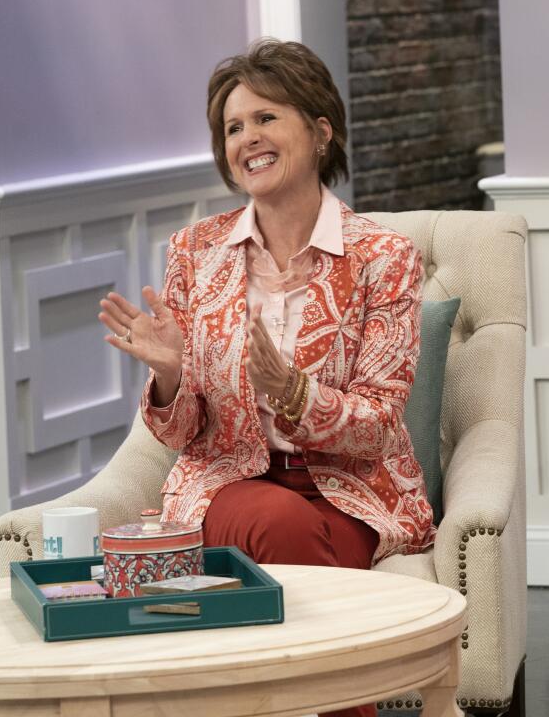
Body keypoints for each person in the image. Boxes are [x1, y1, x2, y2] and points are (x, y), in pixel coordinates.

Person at [99, 39, 432, 717]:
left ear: (319, 130)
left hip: (350, 493)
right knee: (272, 519)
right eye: (232, 127)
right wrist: (169, 377)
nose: (247, 138)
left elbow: (378, 422)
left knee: (290, 542)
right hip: (232, 484)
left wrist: (294, 392)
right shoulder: (195, 251)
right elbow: (182, 430)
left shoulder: (385, 258)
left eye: (266, 118)